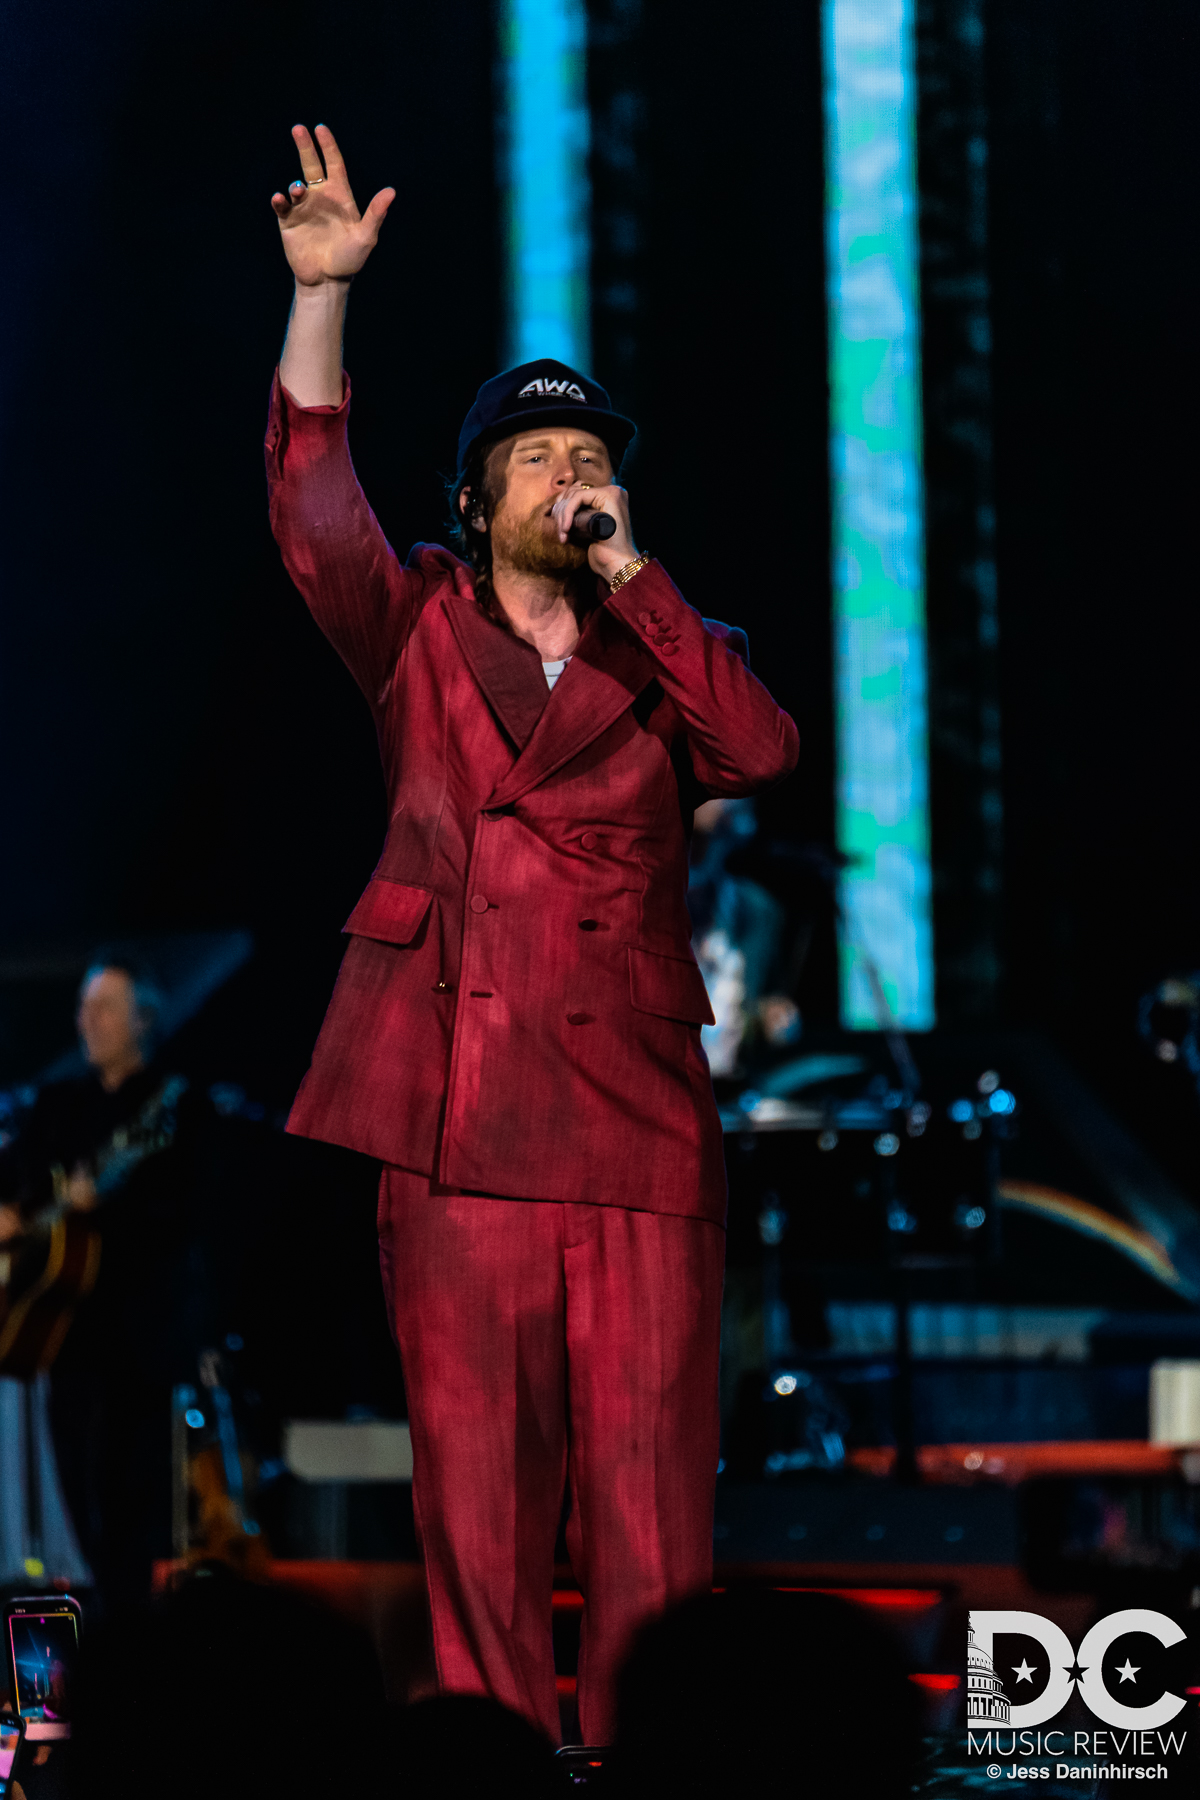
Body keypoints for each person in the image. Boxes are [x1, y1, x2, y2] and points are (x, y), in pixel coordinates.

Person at [266, 122, 799, 1744]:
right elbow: (312, 509)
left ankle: (660, 1765)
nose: (573, 478)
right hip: (456, 1128)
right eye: (541, 462)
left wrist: (638, 577)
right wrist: (323, 301)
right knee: (480, 1525)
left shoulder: (671, 648)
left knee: (652, 1526)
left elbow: (764, 754)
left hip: (635, 1134)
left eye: (592, 460)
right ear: (477, 496)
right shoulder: (417, 622)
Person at [0, 962, 213, 1607]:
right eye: (83, 1008)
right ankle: (97, 1617)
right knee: (78, 1485)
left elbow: (190, 1215)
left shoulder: (176, 1105)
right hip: (66, 1334)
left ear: (143, 1020)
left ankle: (131, 1628)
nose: (85, 1023)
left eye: (103, 1008)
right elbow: (20, 1176)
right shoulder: (62, 1103)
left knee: (133, 1492)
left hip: (140, 1335)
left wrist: (109, 1210)